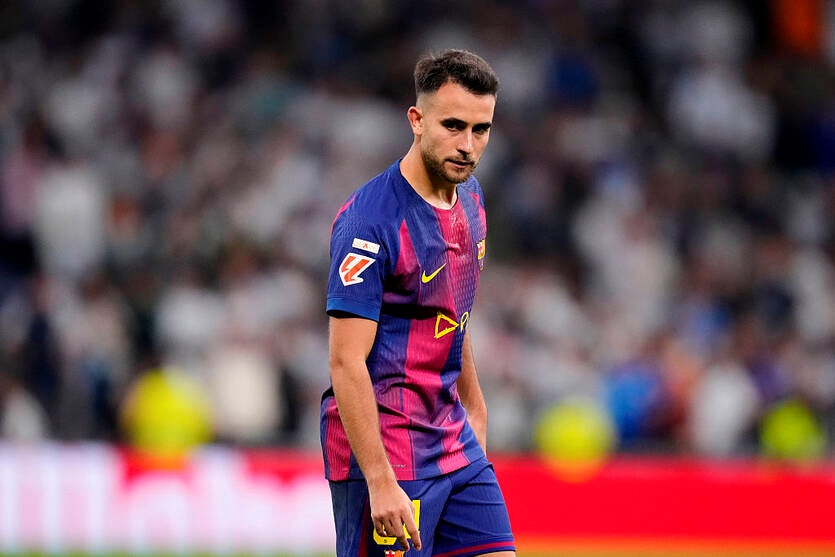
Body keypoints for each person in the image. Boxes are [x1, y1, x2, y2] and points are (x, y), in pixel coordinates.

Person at [321, 49, 515, 557]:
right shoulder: (368, 224)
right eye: (453, 126)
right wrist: (380, 480)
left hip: (452, 441)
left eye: (481, 129)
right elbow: (345, 363)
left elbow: (452, 314)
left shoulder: (470, 199)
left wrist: (475, 407)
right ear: (417, 120)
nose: (468, 145)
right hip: (388, 452)